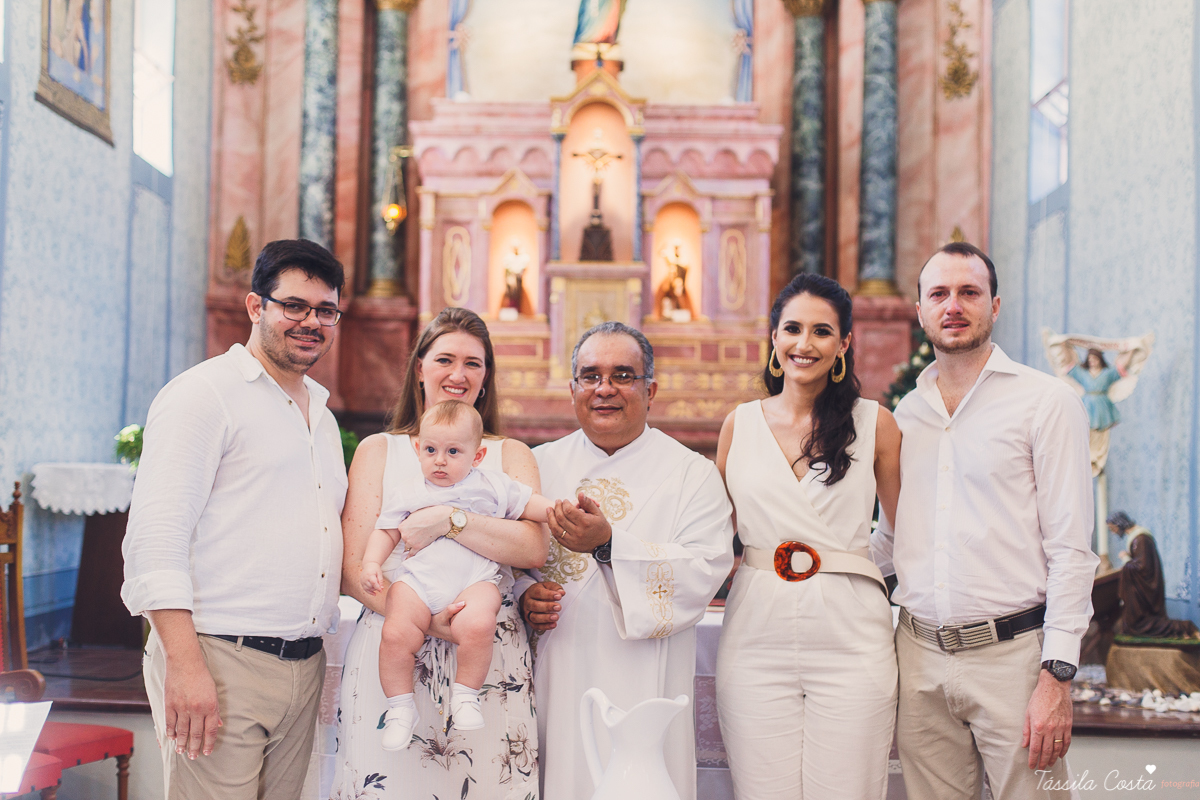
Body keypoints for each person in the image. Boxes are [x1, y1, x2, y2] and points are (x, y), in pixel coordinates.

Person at [121, 239, 348, 798]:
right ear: (255, 306)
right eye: (293, 305)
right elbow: (155, 537)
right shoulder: (204, 395)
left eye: (325, 310)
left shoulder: (319, 411)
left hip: (303, 663)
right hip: (220, 658)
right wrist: (186, 663)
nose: (310, 322)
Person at [872, 242, 1099, 799]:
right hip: (919, 656)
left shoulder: (1046, 402)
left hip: (1014, 659)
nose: (954, 305)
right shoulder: (906, 414)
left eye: (969, 292)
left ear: (995, 306)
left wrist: (1057, 675)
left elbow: (1072, 549)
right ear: (920, 311)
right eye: (939, 294)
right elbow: (893, 536)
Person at [332, 308, 547, 799]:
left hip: (487, 654)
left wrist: (452, 521)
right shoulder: (379, 451)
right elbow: (352, 570)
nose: (459, 374)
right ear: (420, 369)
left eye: (474, 363)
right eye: (445, 359)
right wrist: (427, 622)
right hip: (394, 642)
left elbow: (533, 545)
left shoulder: (510, 454)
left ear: (486, 377)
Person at [518, 321, 735, 800]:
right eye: (590, 376)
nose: (605, 390)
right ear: (572, 387)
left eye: (623, 375)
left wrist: (610, 545)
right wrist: (522, 596)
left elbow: (706, 568)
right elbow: (505, 564)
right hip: (554, 666)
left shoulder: (690, 474)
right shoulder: (538, 466)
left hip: (644, 676)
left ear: (650, 389)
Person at [714, 273, 902, 799]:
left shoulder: (875, 423)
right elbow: (708, 533)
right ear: (774, 337)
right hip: (756, 632)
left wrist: (856, 568)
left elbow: (905, 533)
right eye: (792, 328)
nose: (804, 343)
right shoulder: (740, 423)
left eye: (822, 332)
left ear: (843, 345)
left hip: (850, 636)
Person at [361, 401, 555, 749]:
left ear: (476, 457)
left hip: (474, 582)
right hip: (419, 582)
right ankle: (400, 708)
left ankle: (465, 695)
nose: (440, 460)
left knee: (479, 625)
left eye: (453, 452)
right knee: (395, 633)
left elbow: (529, 504)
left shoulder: (493, 486)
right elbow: (386, 530)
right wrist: (372, 564)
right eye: (431, 450)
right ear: (419, 449)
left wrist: (557, 511)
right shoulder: (410, 491)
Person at [1107, 511, 1200, 640]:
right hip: (1141, 590)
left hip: (1144, 592)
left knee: (1139, 625)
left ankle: (1186, 628)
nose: (1114, 532)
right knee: (1133, 625)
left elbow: (1142, 567)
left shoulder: (1141, 539)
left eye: (1113, 528)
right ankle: (1184, 629)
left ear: (1120, 524)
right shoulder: (1136, 539)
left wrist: (1125, 559)